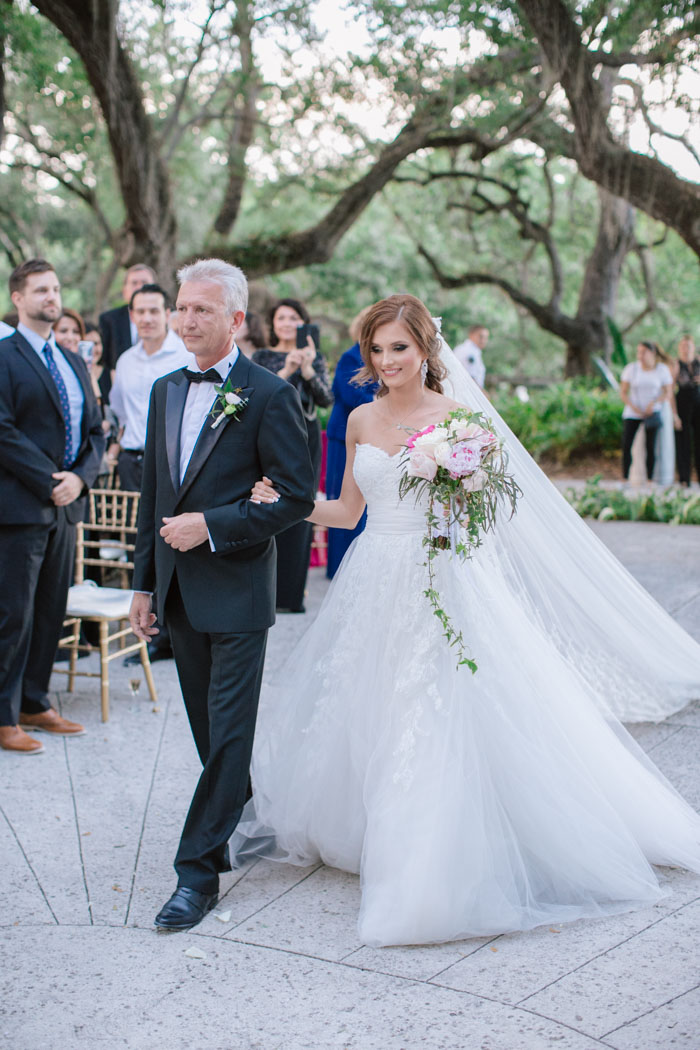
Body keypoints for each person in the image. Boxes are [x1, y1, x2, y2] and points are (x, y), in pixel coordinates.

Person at [240, 292, 700, 948]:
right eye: (377, 349)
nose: (388, 359)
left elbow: (483, 521)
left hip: (442, 578)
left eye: (400, 347)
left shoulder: (461, 420)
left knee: (434, 706)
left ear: (425, 349)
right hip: (375, 577)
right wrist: (283, 502)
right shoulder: (363, 420)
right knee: (368, 699)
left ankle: (430, 855)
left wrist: (451, 518)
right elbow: (345, 512)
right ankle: (367, 827)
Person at [129, 258, 315, 931]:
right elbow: (156, 494)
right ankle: (245, 813)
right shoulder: (164, 392)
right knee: (211, 735)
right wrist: (144, 583)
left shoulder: (267, 394)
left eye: (200, 309)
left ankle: (196, 874)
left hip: (237, 588)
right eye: (180, 307)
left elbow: (295, 498)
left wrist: (211, 525)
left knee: (229, 730)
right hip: (177, 593)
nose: (184, 320)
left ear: (235, 318)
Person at [0, 259, 104, 754]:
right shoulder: (4, 355)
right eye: (41, 289)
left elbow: (96, 432)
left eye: (56, 288)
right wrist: (48, 480)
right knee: (13, 613)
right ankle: (3, 716)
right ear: (18, 298)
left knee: (50, 609)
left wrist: (79, 481)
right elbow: (2, 431)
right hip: (20, 506)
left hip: (67, 507)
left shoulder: (72, 359)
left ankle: (34, 701)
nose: (52, 296)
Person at [253, 298, 333, 611]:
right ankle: (265, 589)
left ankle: (291, 594)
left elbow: (326, 399)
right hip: (272, 437)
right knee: (268, 503)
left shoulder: (316, 357)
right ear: (272, 323)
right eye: (281, 318)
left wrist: (309, 369)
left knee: (302, 508)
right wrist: (287, 369)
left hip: (305, 436)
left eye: (293, 318)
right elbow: (257, 396)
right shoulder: (262, 356)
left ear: (303, 323)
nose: (286, 323)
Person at [108, 284, 190, 494]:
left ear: (167, 314)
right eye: (140, 312)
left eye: (153, 311)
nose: (146, 319)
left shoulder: (187, 357)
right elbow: (119, 409)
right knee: (131, 526)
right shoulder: (125, 360)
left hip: (172, 462)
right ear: (132, 315)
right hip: (131, 462)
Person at [325, 307, 377, 578]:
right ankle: (339, 567)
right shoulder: (350, 357)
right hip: (344, 437)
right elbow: (351, 395)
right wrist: (389, 405)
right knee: (343, 500)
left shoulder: (379, 358)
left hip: (374, 437)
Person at [620, 341, 673, 481]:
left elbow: (668, 392)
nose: (640, 355)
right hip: (633, 412)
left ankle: (650, 480)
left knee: (651, 446)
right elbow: (623, 392)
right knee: (627, 444)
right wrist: (634, 407)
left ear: (652, 353)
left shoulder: (662, 369)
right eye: (639, 352)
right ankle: (625, 478)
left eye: (643, 352)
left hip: (652, 412)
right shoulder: (631, 369)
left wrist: (654, 403)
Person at [99, 263, 156, 371]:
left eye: (145, 282)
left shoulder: (170, 318)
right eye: (134, 283)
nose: (140, 287)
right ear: (124, 291)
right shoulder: (108, 320)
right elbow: (104, 364)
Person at [674, 334, 700, 487]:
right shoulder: (676, 364)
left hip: (698, 405)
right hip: (682, 405)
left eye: (688, 346)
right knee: (683, 442)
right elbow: (669, 391)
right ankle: (684, 478)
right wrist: (674, 414)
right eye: (683, 346)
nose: (685, 349)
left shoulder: (698, 361)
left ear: (693, 347)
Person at [453, 323, 489, 388]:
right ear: (471, 335)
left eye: (486, 338)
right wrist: (482, 393)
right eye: (481, 337)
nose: (483, 341)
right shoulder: (469, 352)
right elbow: (470, 376)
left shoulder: (473, 350)